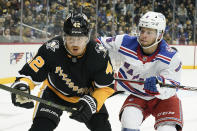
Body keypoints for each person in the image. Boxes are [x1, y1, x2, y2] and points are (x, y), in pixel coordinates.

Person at [10, 12, 115, 131]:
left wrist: (93, 102)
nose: (75, 44)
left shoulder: (99, 54)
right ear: (64, 36)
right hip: (54, 94)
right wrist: (22, 85)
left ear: (87, 37)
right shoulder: (51, 48)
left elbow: (106, 87)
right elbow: (29, 74)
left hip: (87, 97)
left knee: (102, 128)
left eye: (80, 38)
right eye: (71, 38)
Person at [97, 11, 183, 131]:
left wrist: (159, 85)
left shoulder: (171, 57)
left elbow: (172, 86)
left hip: (164, 99)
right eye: (142, 31)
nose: (144, 35)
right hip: (138, 95)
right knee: (128, 120)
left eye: (149, 32)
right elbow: (98, 44)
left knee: (167, 129)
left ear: (160, 34)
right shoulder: (124, 41)